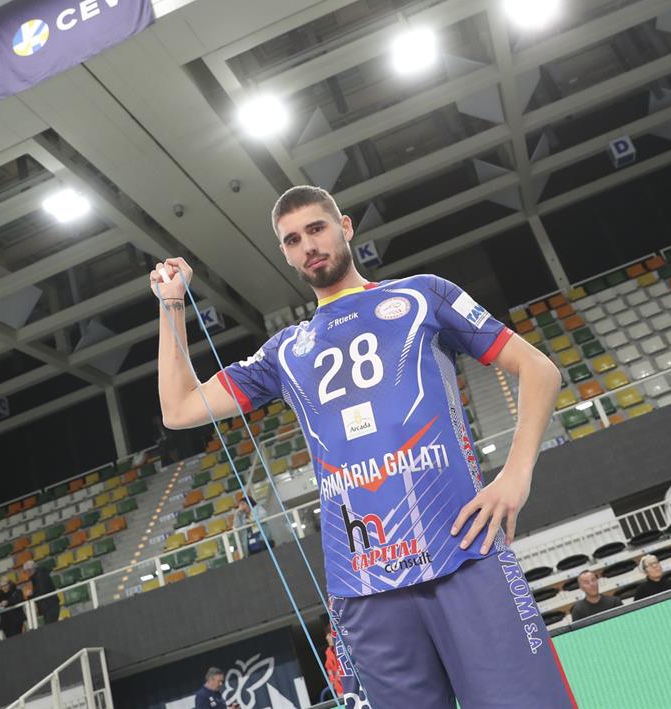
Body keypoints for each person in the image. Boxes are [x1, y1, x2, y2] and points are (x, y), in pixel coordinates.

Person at [152, 186, 575, 709]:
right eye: (292, 239)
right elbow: (179, 409)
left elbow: (539, 369)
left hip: (463, 552)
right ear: (284, 253)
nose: (308, 245)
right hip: (364, 588)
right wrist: (173, 304)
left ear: (345, 227)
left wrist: (516, 474)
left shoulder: (423, 296)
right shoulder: (284, 352)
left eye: (316, 228)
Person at [22, 559, 60, 625]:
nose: (26, 574)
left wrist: (31, 595)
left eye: (26, 572)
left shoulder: (40, 576)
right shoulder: (39, 575)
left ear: (30, 570)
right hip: (49, 605)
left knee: (51, 626)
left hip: (49, 605)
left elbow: (42, 592)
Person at [0, 575, 27, 639]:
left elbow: (19, 599)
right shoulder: (0, 597)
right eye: (2, 586)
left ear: (9, 584)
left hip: (16, 621)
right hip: (5, 624)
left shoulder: (17, 592)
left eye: (5, 585)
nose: (4, 588)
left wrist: (8, 602)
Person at [322, 621, 345, 701]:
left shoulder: (344, 647)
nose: (326, 638)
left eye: (328, 635)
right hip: (340, 690)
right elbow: (329, 668)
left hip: (350, 685)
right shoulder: (328, 651)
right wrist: (332, 680)